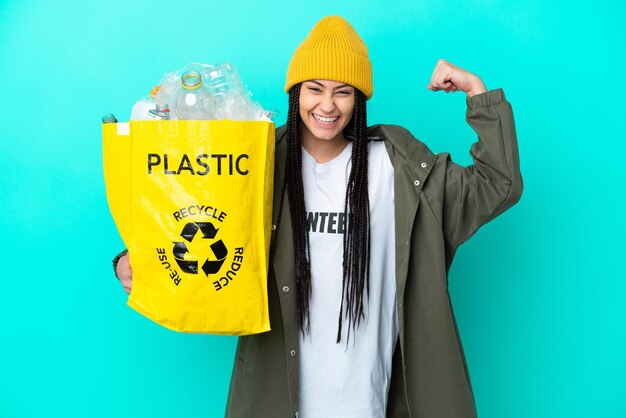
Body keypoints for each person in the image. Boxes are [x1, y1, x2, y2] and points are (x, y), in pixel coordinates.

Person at [113, 16, 522, 418]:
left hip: (370, 403)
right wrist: (134, 261)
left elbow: (497, 184)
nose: (327, 105)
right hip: (277, 400)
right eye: (314, 89)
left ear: (358, 100)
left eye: (343, 92)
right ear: (296, 93)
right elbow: (198, 218)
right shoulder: (258, 166)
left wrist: (477, 92)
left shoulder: (397, 170)